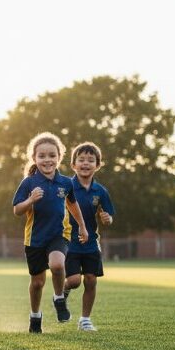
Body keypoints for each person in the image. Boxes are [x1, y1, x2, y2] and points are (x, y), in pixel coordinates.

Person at [12, 132, 88, 333]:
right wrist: (30, 201)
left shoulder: (66, 183)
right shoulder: (28, 183)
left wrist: (82, 225)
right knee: (37, 283)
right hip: (35, 238)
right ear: (34, 158)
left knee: (56, 264)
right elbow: (17, 210)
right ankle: (35, 317)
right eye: (42, 156)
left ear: (59, 157)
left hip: (59, 234)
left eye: (52, 155)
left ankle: (58, 298)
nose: (47, 160)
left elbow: (72, 204)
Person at [63, 142, 115, 331]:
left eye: (90, 160)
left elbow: (109, 218)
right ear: (73, 165)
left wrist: (106, 218)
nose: (86, 163)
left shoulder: (100, 191)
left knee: (91, 280)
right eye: (81, 160)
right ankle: (64, 289)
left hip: (91, 242)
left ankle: (85, 320)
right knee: (75, 281)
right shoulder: (66, 186)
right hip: (69, 241)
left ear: (97, 165)